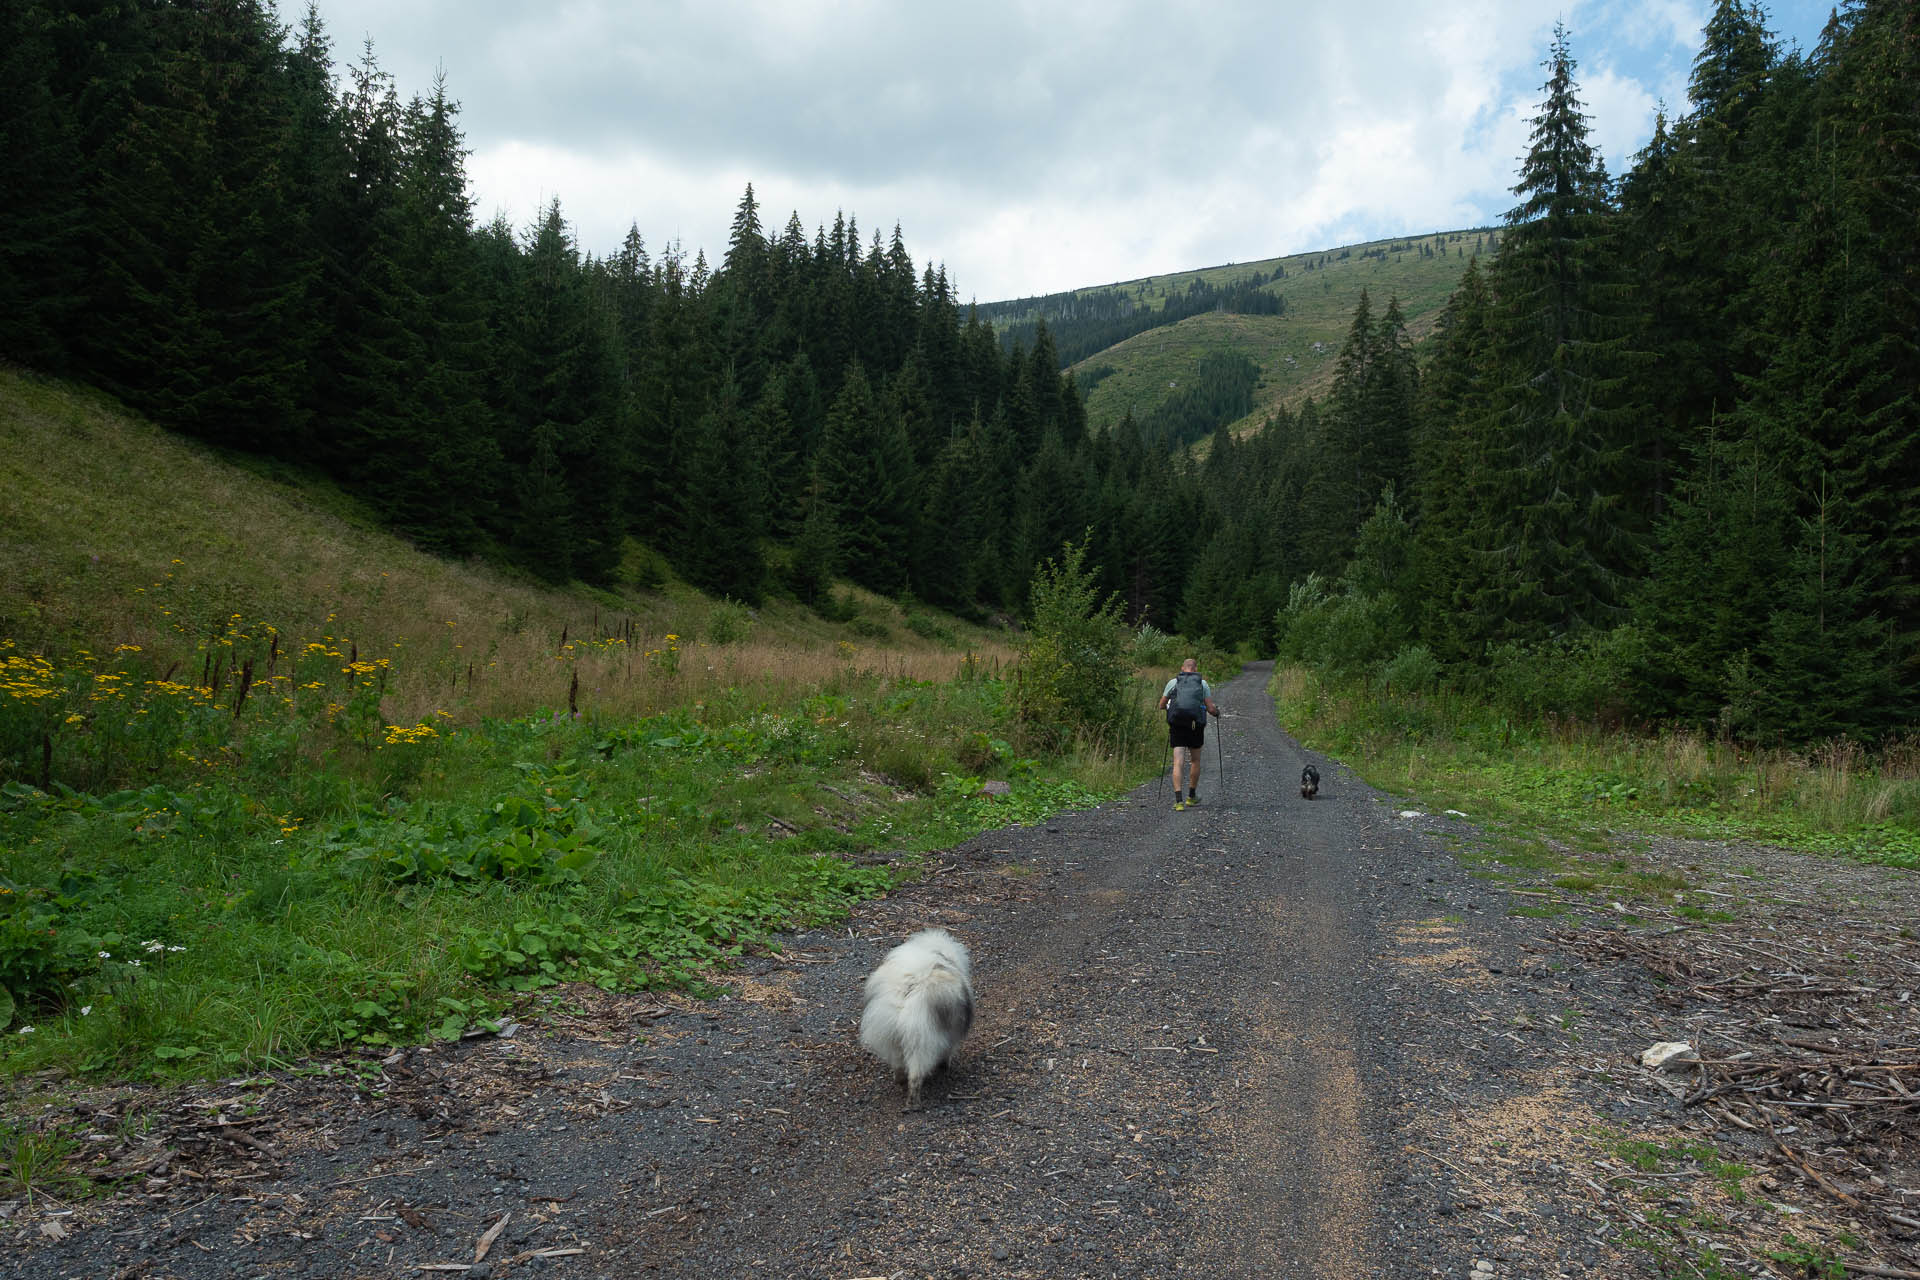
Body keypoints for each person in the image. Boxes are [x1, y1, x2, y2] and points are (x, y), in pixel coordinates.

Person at [1158, 657, 1219, 811]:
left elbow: (1161, 705)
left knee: (1178, 761)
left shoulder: (1173, 683)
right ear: (1195, 669)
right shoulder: (1202, 683)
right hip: (1195, 725)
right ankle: (1191, 797)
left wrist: (1171, 709)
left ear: (1182, 668)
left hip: (1177, 724)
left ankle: (1178, 801)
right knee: (1195, 761)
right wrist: (1217, 713)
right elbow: (1210, 708)